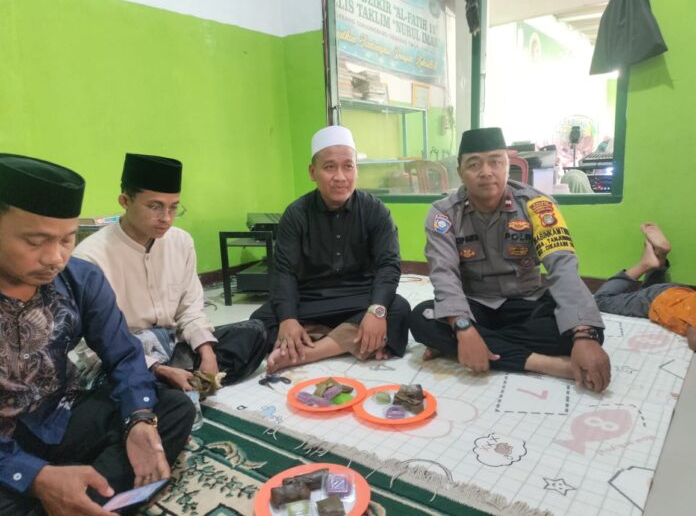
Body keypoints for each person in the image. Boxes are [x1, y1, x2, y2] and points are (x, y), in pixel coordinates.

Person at [0, 154, 195, 515]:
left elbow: (124, 355)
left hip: (57, 415)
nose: (55, 258)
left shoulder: (80, 279)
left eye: (67, 239)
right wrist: (33, 476)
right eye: (35, 241)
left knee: (171, 409)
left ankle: (75, 499)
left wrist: (139, 418)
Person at [409, 128, 611, 392]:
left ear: (507, 164)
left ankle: (461, 346)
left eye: (495, 162)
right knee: (421, 318)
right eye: (474, 164)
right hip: (474, 307)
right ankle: (547, 364)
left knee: (586, 329)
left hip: (526, 303)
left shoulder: (538, 205)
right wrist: (463, 327)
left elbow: (562, 266)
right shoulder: (443, 214)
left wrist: (584, 335)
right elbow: (443, 273)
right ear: (460, 172)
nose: (486, 172)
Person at [73, 154, 268, 390]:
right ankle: (175, 389)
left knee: (255, 333)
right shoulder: (90, 257)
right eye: (154, 207)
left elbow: (190, 309)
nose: (166, 218)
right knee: (122, 384)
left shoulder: (180, 242)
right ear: (125, 201)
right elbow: (91, 346)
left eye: (173, 207)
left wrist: (207, 353)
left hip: (173, 345)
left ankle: (182, 386)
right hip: (126, 356)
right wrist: (159, 369)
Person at [251, 125, 411, 373]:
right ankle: (349, 339)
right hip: (310, 299)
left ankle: (309, 350)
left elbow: (388, 266)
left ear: (356, 170)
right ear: (312, 172)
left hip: (360, 297)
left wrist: (376, 311)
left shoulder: (376, 211)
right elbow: (284, 271)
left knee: (398, 309)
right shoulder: (296, 214)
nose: (340, 177)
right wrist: (288, 319)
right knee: (261, 321)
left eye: (348, 166)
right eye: (329, 167)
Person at [595, 222, 696, 349]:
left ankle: (659, 256)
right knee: (601, 300)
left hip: (677, 293)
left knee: (649, 289)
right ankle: (644, 264)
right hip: (656, 301)